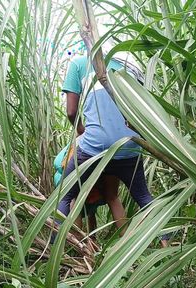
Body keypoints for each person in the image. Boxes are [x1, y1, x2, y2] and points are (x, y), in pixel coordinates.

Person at [58, 53, 168, 247]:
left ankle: (55, 252)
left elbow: (71, 112)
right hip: (130, 143)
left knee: (66, 195)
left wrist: (82, 132)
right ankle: (166, 246)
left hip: (95, 146)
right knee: (141, 196)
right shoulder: (128, 66)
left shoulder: (78, 64)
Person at [54, 143, 127, 236]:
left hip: (104, 157)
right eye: (91, 196)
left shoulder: (105, 192)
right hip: (72, 170)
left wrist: (92, 235)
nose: (92, 201)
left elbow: (95, 210)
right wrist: (79, 241)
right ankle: (74, 242)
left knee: (98, 202)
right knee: (73, 200)